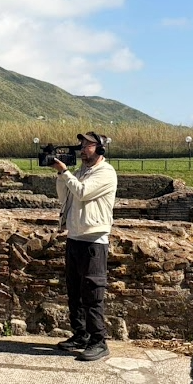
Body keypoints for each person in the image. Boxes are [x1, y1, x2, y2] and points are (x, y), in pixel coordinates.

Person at [52, 132, 118, 362]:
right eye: (81, 145)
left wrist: (65, 173)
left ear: (100, 149)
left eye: (88, 145)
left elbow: (82, 192)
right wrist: (62, 175)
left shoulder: (105, 172)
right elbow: (64, 197)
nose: (82, 149)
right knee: (75, 292)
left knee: (92, 292)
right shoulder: (81, 172)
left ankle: (99, 341)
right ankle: (81, 334)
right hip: (75, 237)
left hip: (93, 239)